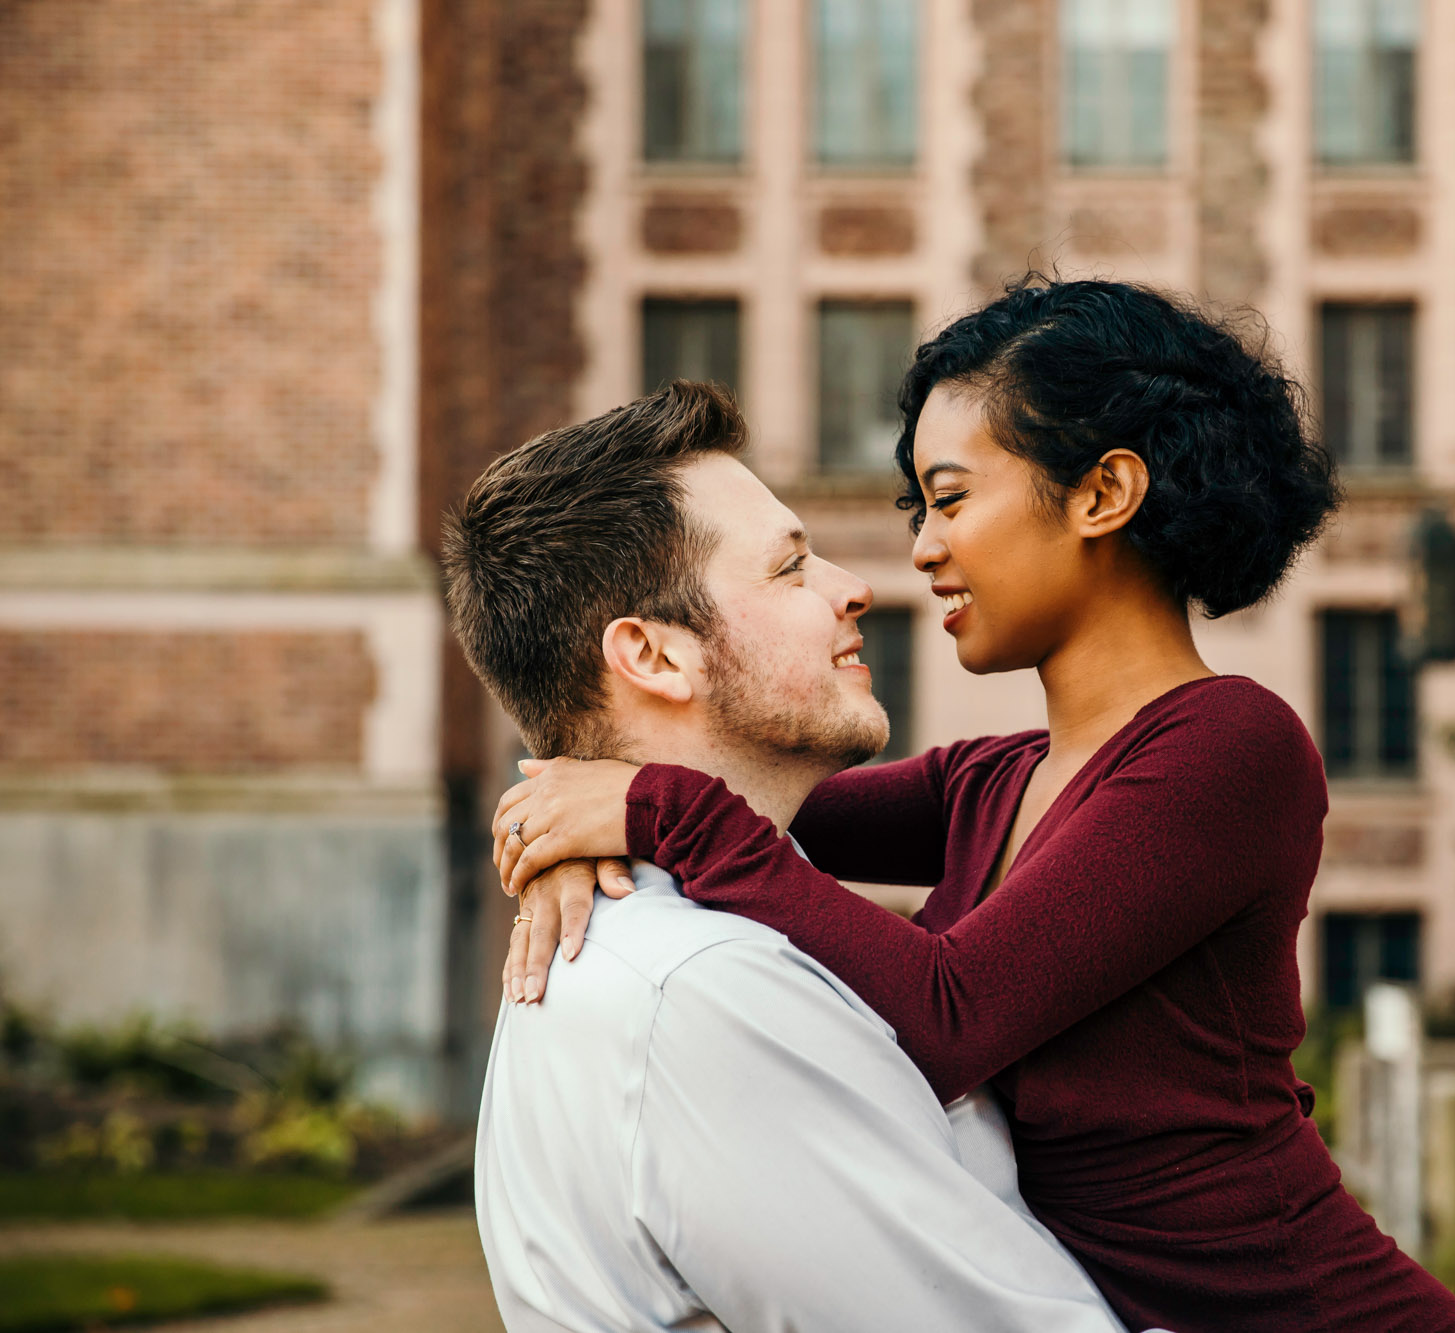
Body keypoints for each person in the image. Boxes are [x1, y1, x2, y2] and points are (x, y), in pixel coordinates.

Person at [496, 278, 1455, 1331]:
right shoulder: (990, 781)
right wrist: (573, 819)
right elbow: (739, 800)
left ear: (1102, 493)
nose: (920, 547)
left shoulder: (1228, 749)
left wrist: (658, 813)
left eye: (952, 497)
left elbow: (951, 1013)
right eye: (917, 506)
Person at [441, 383, 1138, 1333]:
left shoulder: (684, 938)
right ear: (652, 655)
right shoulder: (705, 992)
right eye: (789, 566)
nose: (854, 585)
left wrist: (599, 804)